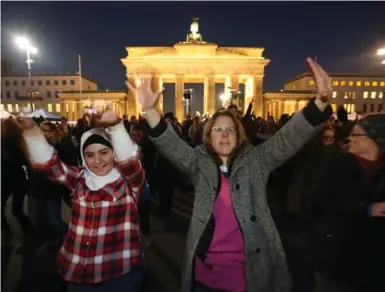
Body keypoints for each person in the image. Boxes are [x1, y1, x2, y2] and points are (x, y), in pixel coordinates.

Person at [127, 57, 333, 292]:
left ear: (239, 136)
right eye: (217, 129)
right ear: (208, 136)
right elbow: (170, 144)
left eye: (230, 129)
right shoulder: (199, 163)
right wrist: (149, 110)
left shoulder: (257, 162)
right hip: (204, 275)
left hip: (247, 274)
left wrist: (319, 104)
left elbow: (287, 140)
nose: (224, 134)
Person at [16, 106, 145, 292]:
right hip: (78, 273)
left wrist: (116, 127)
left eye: (104, 152)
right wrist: (32, 132)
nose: (98, 161)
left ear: (114, 153)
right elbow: (50, 166)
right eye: (90, 155)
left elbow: (130, 162)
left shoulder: (128, 183)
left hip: (119, 272)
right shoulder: (79, 179)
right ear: (83, 158)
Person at [312, 113, 385, 292]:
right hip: (337, 260)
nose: (350, 137)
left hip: (374, 265)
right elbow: (322, 202)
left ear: (375, 139)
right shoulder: (338, 165)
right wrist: (366, 209)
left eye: (357, 134)